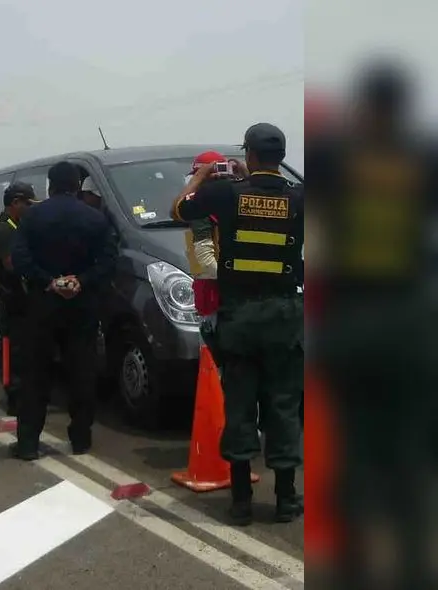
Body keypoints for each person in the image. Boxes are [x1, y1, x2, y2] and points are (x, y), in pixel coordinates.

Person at [170, 123, 304, 526]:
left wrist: (203, 176)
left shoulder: (226, 193)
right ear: (281, 156)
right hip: (284, 315)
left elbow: (179, 210)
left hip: (240, 318)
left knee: (241, 405)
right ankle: (285, 499)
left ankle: (242, 501)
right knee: (283, 407)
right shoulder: (300, 197)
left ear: (248, 154)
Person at [10, 161, 118, 461]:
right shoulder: (94, 218)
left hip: (42, 305)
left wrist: (49, 282)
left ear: (50, 185)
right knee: (82, 372)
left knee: (35, 376)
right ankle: (81, 438)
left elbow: (19, 259)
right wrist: (80, 281)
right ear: (76, 186)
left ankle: (29, 443)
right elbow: (109, 261)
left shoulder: (32, 216)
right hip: (81, 305)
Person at [0, 181, 37, 416]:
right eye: (28, 203)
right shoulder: (3, 229)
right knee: (13, 353)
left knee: (28, 352)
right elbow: (11, 264)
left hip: (25, 301)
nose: (30, 209)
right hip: (13, 301)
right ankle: (14, 400)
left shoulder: (18, 225)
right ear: (15, 203)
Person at [182, 151, 235, 360]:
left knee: (214, 360)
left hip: (215, 294)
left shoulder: (201, 207)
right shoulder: (237, 198)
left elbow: (204, 257)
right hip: (233, 293)